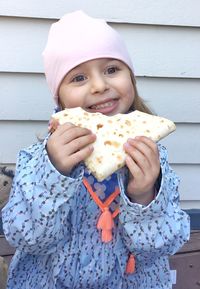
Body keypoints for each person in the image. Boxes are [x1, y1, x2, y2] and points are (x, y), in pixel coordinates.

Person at [2, 10, 190, 289]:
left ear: (131, 78)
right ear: (60, 97)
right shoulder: (38, 161)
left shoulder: (153, 159)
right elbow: (27, 239)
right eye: (78, 78)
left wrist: (144, 196)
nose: (100, 86)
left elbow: (159, 248)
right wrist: (52, 175)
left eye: (112, 69)